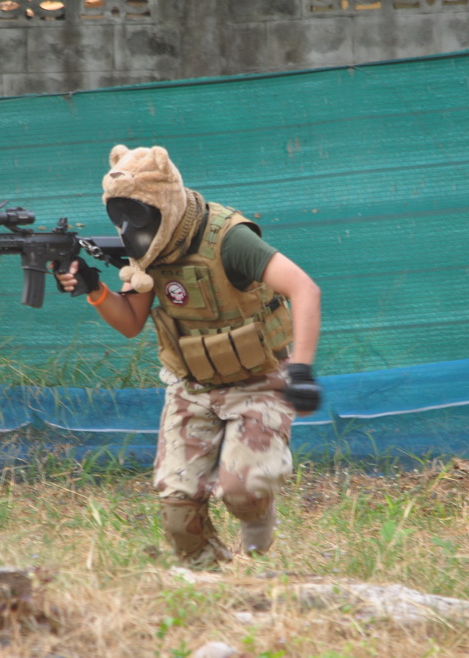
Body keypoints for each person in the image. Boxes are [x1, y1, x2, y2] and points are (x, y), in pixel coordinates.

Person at [55, 144, 322, 568]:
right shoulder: (148, 247)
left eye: (135, 215)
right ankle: (210, 582)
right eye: (118, 216)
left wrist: (302, 369)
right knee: (178, 513)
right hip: (191, 386)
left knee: (243, 490)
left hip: (258, 378)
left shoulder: (228, 239)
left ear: (162, 203)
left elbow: (304, 288)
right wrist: (95, 289)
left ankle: (258, 516)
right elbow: (131, 322)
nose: (127, 228)